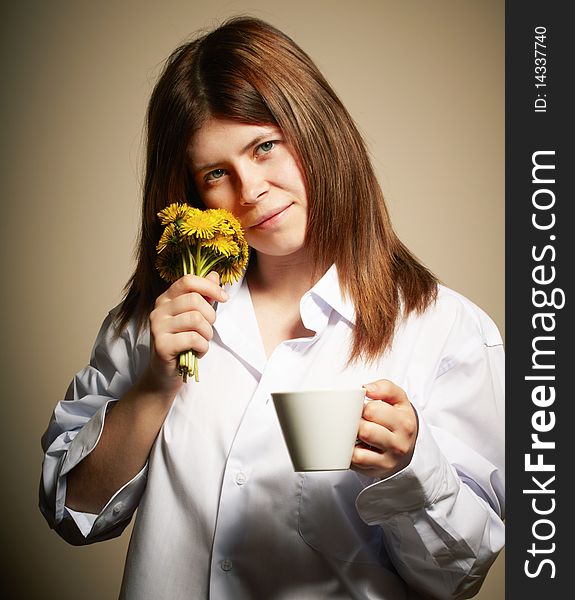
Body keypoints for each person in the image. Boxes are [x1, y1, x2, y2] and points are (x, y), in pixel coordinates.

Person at [39, 16, 504, 600]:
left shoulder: (446, 331)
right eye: (216, 173)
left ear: (315, 131)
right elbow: (71, 513)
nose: (250, 189)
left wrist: (408, 470)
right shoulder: (158, 320)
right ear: (192, 190)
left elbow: (456, 580)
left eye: (264, 146)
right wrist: (155, 386)